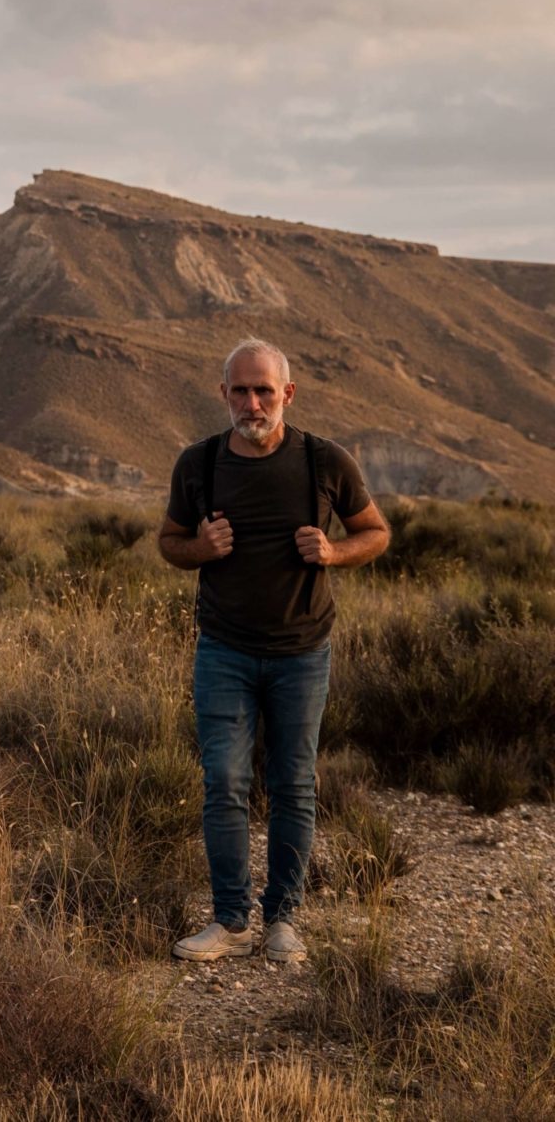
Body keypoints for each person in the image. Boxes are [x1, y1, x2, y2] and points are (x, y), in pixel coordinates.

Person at [157, 338, 391, 964]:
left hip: (302, 653)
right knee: (224, 783)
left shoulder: (323, 461)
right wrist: (199, 549)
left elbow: (376, 531)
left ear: (288, 393)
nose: (252, 402)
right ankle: (231, 922)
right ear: (223, 393)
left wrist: (336, 552)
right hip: (223, 652)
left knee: (293, 785)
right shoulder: (199, 464)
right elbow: (169, 542)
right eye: (241, 389)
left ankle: (282, 921)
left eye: (265, 390)